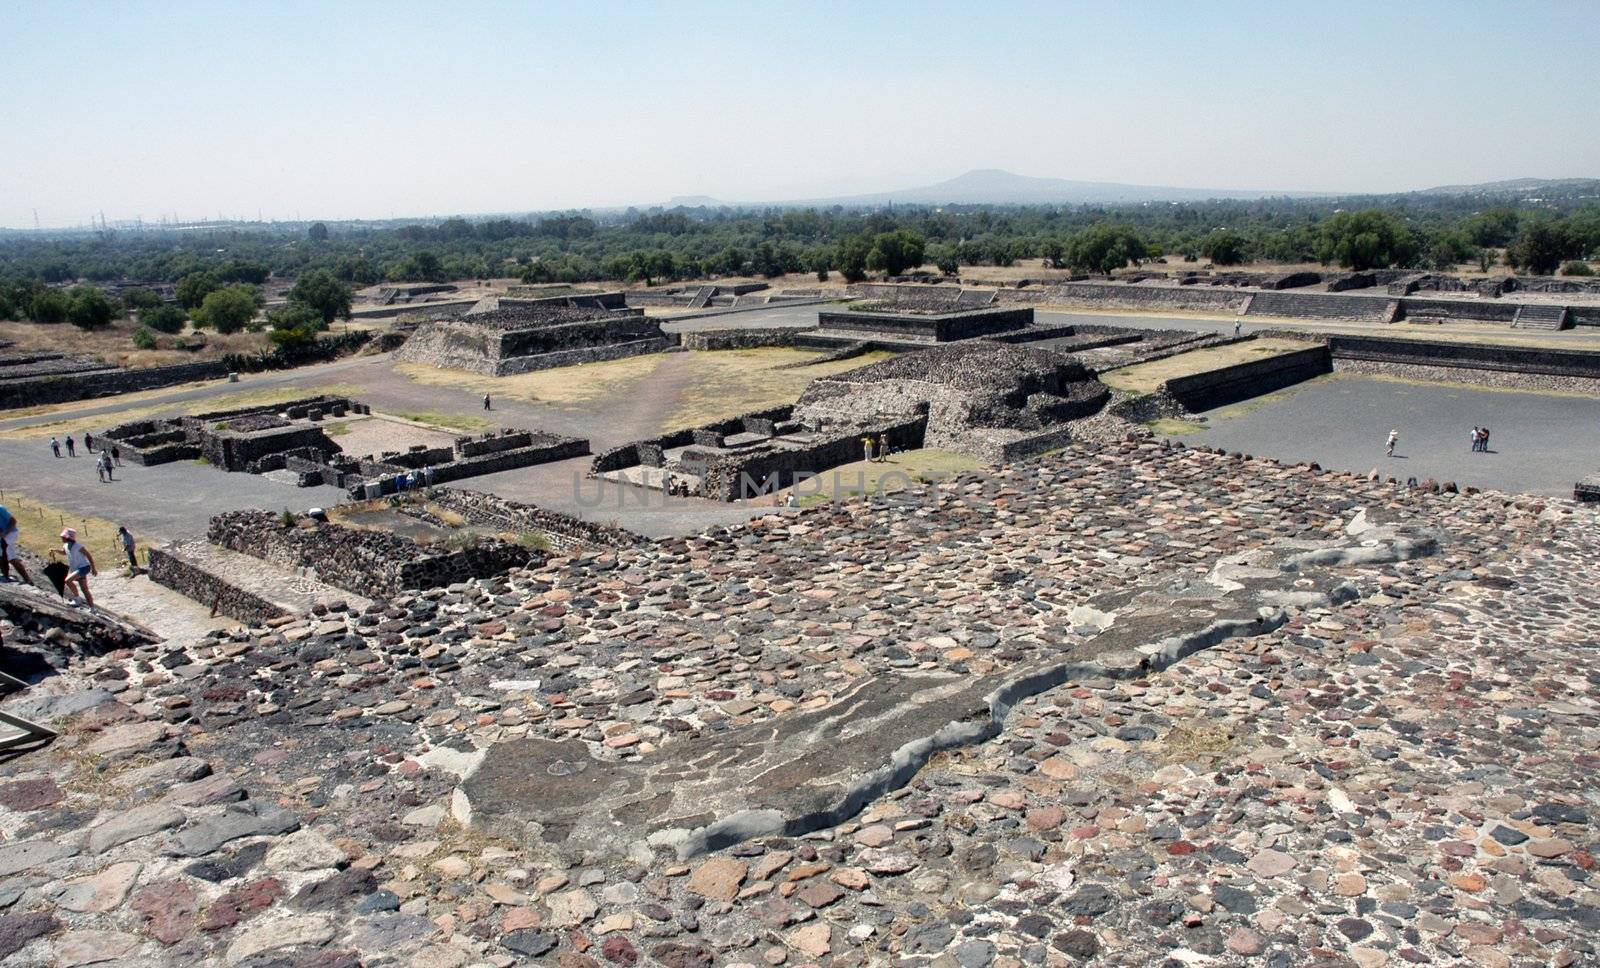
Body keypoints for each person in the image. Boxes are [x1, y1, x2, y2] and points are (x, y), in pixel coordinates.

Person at [60, 528, 96, 607]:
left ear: (68, 537)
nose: (61, 538)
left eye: (63, 537)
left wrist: (93, 568)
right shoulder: (65, 545)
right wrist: (54, 550)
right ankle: (93, 609)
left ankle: (77, 599)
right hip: (76, 569)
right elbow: (64, 552)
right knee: (84, 590)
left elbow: (88, 555)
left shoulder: (78, 546)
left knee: (67, 580)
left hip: (84, 567)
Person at [0, 506, 32, 585]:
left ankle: (26, 579)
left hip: (10, 533)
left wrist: (5, 533)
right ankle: (27, 580)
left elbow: (13, 521)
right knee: (8, 556)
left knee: (6, 555)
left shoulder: (0, 508)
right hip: (3, 535)